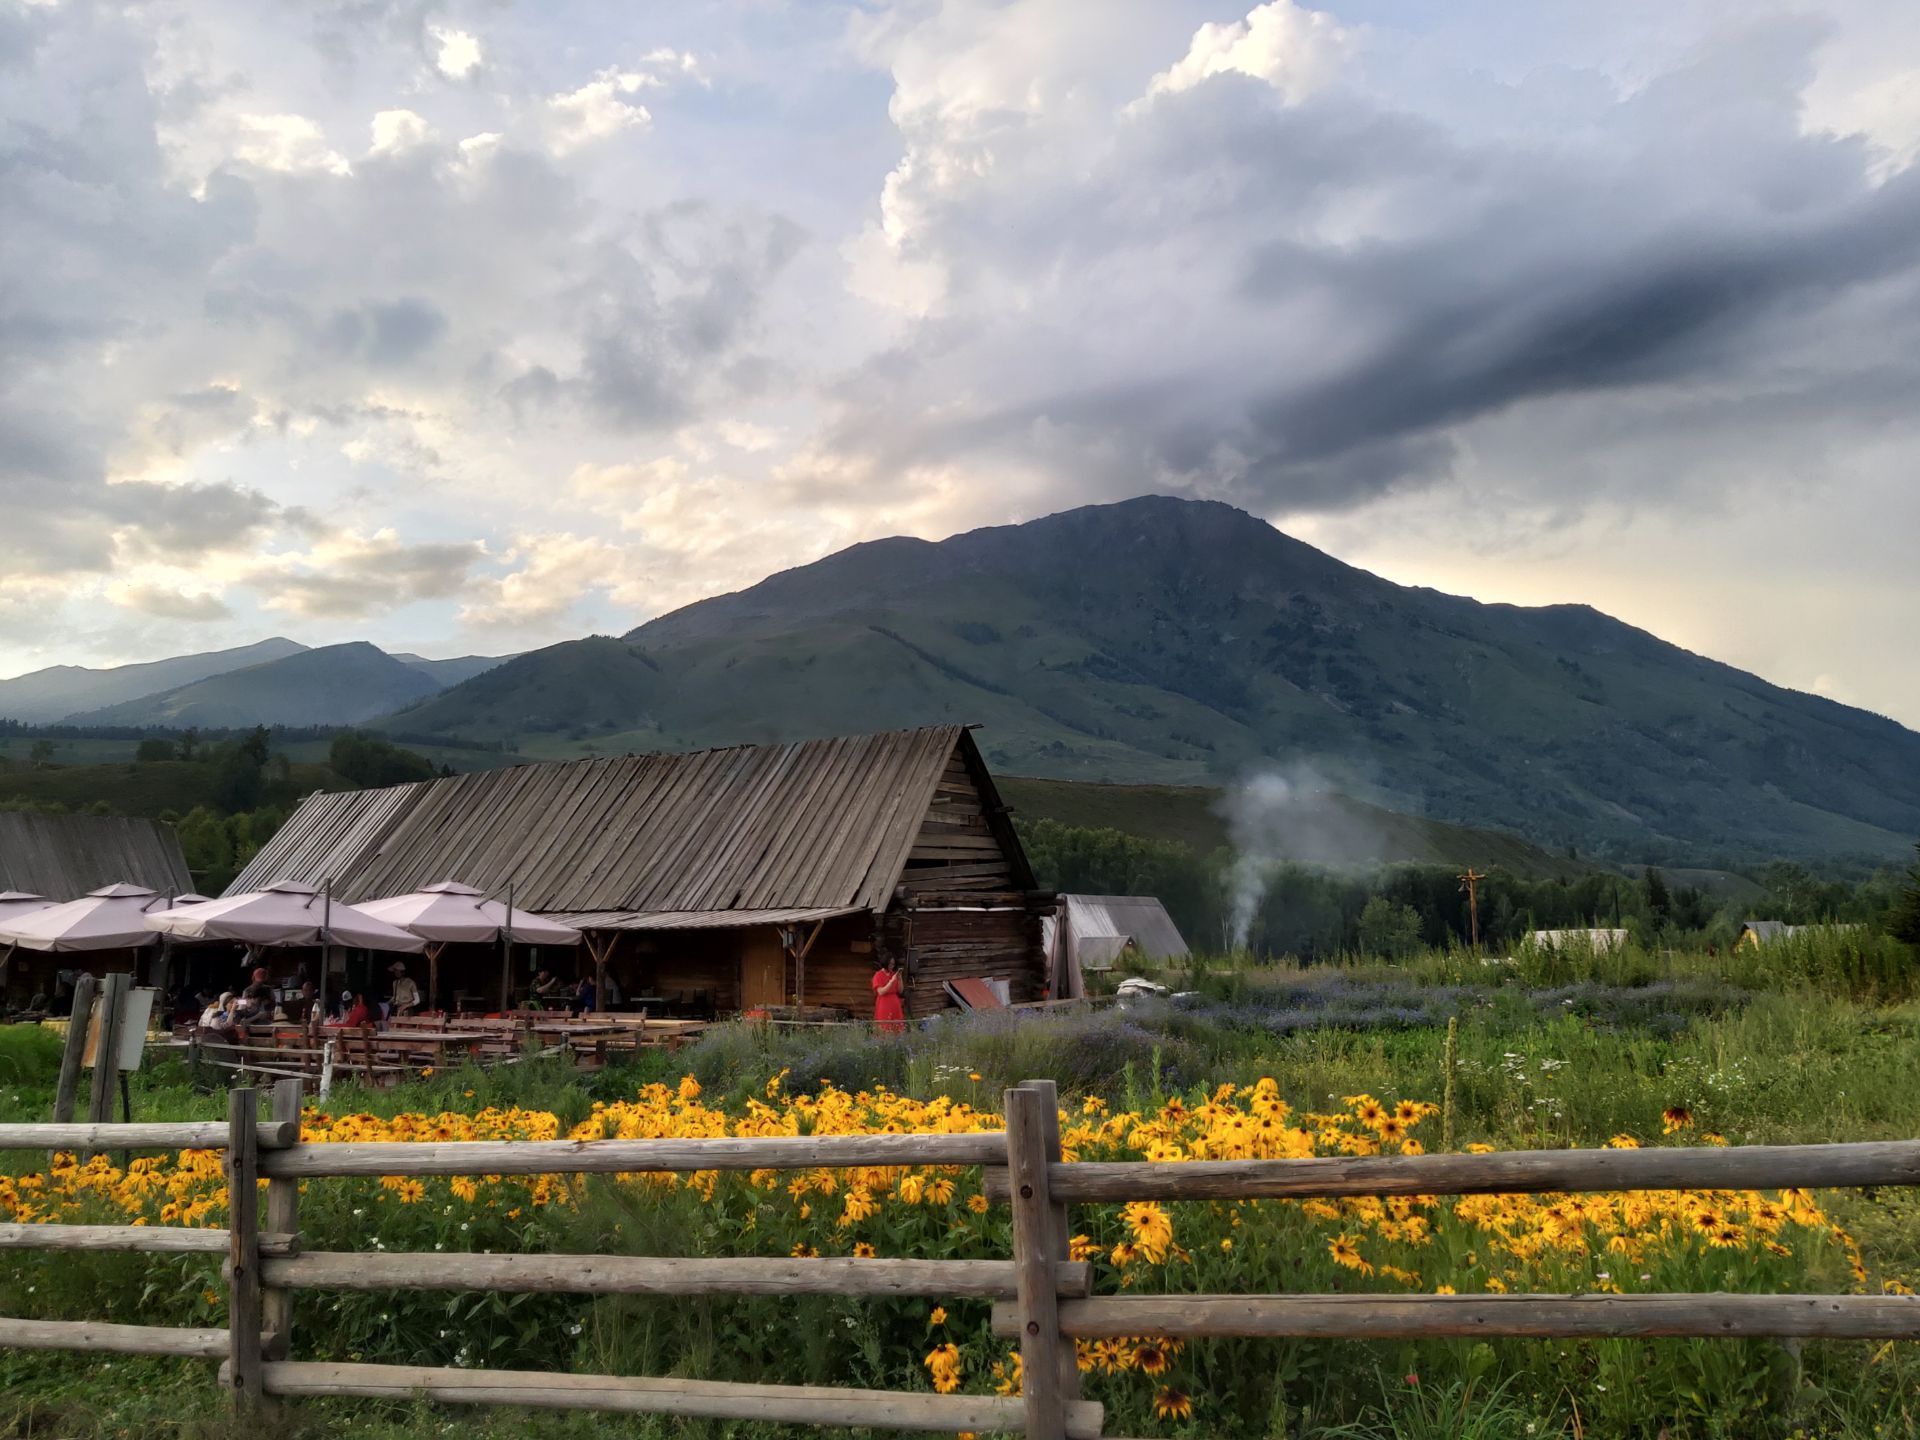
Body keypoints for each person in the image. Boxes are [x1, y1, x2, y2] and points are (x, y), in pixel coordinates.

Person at [871, 956, 906, 1034]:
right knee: (884, 1026)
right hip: (884, 1004)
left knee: (897, 1027)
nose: (892, 966)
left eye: (893, 964)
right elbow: (880, 992)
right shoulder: (878, 975)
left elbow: (900, 991)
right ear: (885, 963)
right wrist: (891, 982)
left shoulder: (893, 974)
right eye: (890, 964)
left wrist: (900, 979)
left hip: (895, 1004)